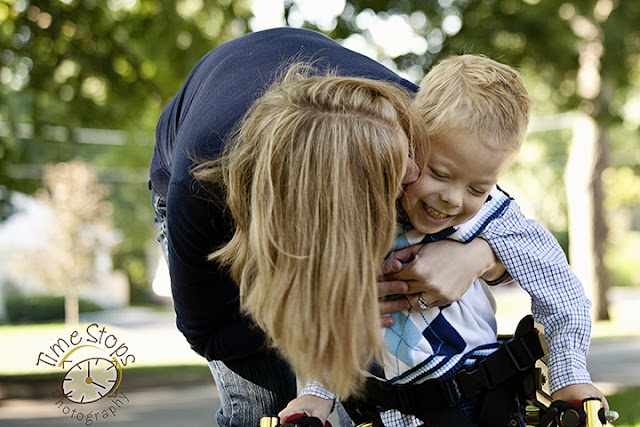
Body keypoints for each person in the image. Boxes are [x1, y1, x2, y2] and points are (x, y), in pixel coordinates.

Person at [149, 28, 504, 427]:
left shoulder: (417, 114)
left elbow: (512, 229)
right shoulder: (199, 193)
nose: (416, 174)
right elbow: (210, 334)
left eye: (411, 151)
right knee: (264, 405)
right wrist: (331, 304)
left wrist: (476, 258)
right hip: (227, 198)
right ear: (342, 204)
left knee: (370, 383)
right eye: (392, 175)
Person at [280, 55, 607, 426]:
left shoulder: (491, 217)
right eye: (438, 172)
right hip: (393, 411)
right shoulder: (367, 211)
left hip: (477, 401)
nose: (453, 199)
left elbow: (561, 292)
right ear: (411, 142)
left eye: (477, 188)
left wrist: (569, 375)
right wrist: (317, 392)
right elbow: (333, 309)